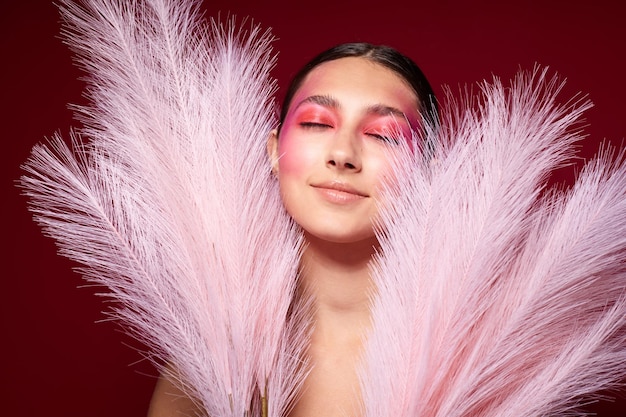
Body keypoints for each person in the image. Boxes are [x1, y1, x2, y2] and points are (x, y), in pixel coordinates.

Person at [147, 42, 438, 417]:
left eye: (383, 135)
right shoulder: (215, 354)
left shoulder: (475, 356)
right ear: (273, 151)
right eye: (316, 123)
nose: (343, 154)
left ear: (428, 171)